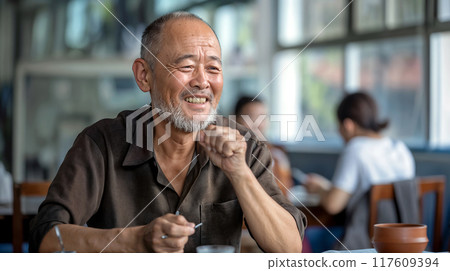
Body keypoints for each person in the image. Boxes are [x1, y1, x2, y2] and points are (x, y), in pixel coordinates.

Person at [30, 12, 305, 253]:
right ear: (144, 76)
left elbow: (289, 248)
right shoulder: (101, 143)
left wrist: (239, 173)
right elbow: (44, 239)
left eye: (213, 68)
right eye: (186, 67)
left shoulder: (244, 145)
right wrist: (135, 241)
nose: (201, 82)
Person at [304, 92, 415, 249]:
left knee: (304, 235)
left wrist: (318, 187)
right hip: (402, 242)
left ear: (348, 125)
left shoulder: (356, 149)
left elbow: (333, 204)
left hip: (365, 243)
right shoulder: (400, 148)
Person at [234, 96, 294, 196]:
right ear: (235, 119)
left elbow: (285, 195)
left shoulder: (277, 156)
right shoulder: (226, 155)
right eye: (251, 117)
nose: (258, 124)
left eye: (262, 117)